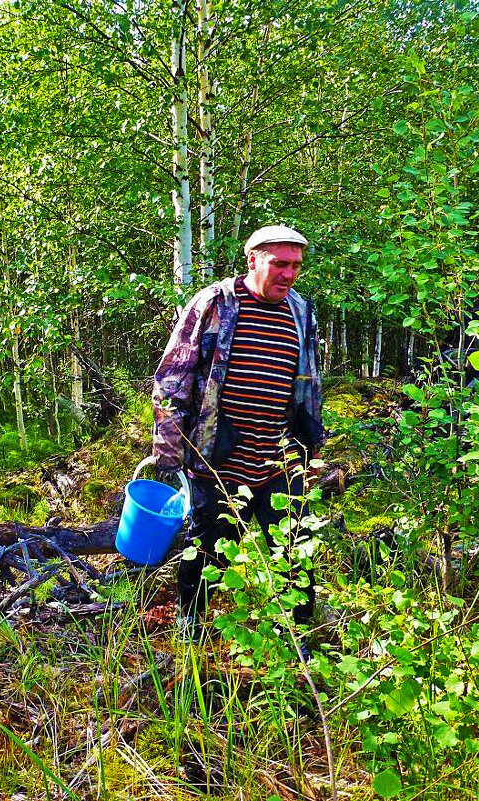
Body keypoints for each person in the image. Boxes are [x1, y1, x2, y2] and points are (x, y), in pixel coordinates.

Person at [151, 224, 325, 640]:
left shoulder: (300, 312)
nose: (288, 274)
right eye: (279, 264)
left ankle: (297, 644)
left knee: (298, 555)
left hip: (280, 460)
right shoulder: (215, 303)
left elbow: (311, 385)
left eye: (296, 266)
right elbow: (172, 379)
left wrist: (314, 450)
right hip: (217, 459)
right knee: (207, 553)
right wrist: (169, 452)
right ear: (253, 260)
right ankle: (191, 636)